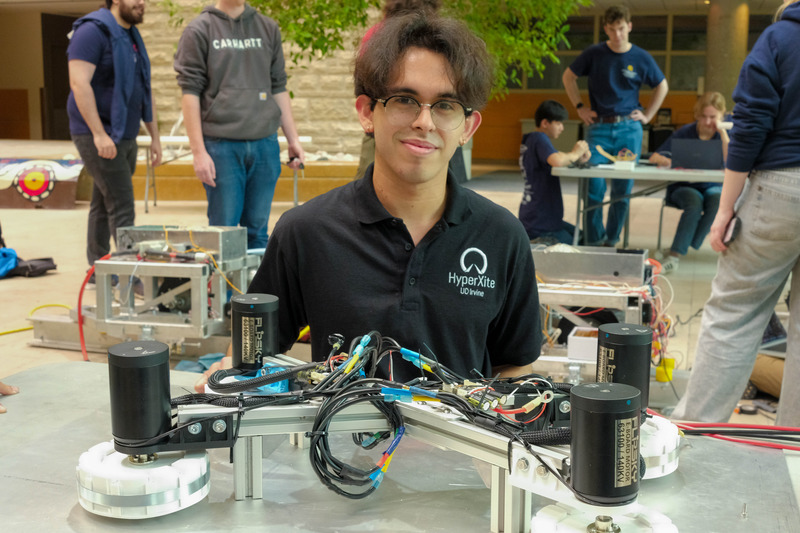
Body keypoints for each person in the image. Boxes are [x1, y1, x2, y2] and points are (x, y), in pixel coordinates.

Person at [196, 13, 542, 390]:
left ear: (467, 127)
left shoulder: (501, 237)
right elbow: (250, 359)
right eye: (405, 100)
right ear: (367, 113)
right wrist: (225, 375)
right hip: (337, 446)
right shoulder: (306, 232)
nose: (424, 122)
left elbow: (514, 367)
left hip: (462, 448)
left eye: (445, 105)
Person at [671, 0, 800, 427]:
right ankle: (793, 448)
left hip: (781, 185)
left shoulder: (780, 38)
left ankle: (696, 430)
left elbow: (750, 126)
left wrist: (725, 209)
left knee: (735, 314)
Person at [174, 0, 304, 250]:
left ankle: (253, 290)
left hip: (265, 144)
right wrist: (199, 153)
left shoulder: (268, 27)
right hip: (220, 147)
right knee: (224, 234)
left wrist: (293, 139)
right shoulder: (199, 29)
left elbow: (278, 86)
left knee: (258, 233)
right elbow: (190, 93)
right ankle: (225, 291)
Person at [562, 5, 668, 247]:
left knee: (622, 191)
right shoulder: (594, 53)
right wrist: (579, 106)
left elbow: (662, 85)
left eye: (621, 29)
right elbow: (568, 76)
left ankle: (611, 240)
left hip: (629, 129)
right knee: (593, 187)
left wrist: (648, 115)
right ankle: (593, 240)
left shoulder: (641, 57)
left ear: (629, 26)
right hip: (598, 127)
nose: (617, 35)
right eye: (612, 30)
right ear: (605, 29)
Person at [67, 0, 161, 269]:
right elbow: (78, 82)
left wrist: (154, 136)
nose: (142, 3)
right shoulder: (91, 31)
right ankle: (129, 275)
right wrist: (98, 134)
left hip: (125, 134)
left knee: (102, 201)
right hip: (97, 133)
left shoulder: (130, 35)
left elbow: (144, 87)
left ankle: (99, 268)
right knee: (122, 204)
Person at [649, 91, 729, 274]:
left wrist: (723, 133)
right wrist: (668, 161)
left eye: (713, 117)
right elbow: (655, 156)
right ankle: (675, 255)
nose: (708, 122)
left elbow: (731, 160)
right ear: (698, 115)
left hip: (712, 186)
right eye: (704, 117)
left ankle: (690, 240)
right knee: (694, 203)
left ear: (722, 116)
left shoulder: (723, 136)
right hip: (683, 186)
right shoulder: (685, 132)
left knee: (718, 201)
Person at [519, 100, 590, 244]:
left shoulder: (530, 139)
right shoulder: (539, 138)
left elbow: (560, 157)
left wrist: (577, 158)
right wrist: (576, 153)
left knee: (583, 235)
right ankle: (539, 242)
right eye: (558, 123)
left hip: (538, 218)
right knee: (580, 242)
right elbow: (557, 160)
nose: (562, 128)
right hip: (539, 224)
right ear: (545, 123)